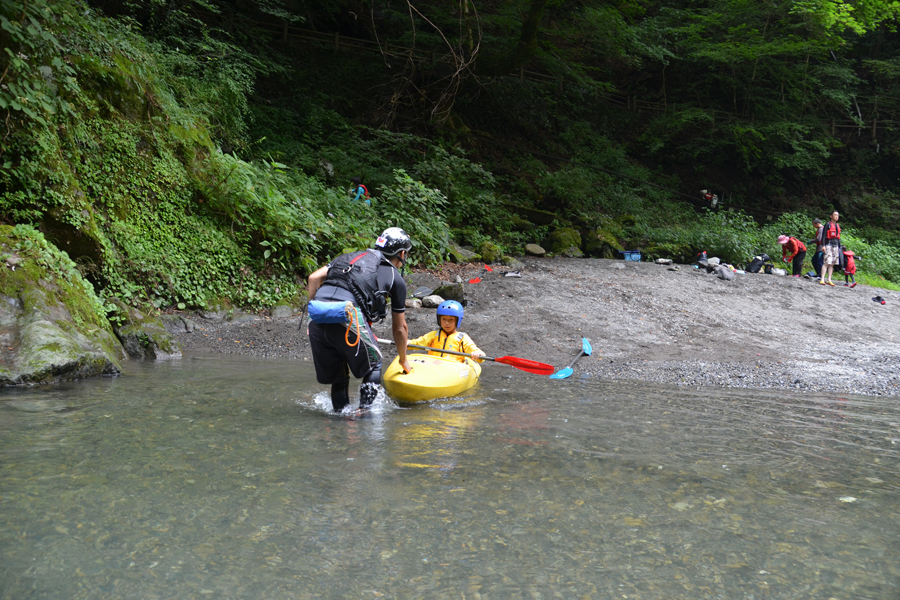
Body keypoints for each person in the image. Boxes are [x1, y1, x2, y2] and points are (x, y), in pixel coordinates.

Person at [306, 227, 412, 412]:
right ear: (402, 253)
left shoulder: (347, 257)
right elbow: (400, 328)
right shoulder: (395, 276)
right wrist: (403, 359)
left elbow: (314, 277)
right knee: (375, 362)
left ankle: (340, 415)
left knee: (340, 370)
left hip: (316, 317)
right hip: (347, 315)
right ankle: (365, 415)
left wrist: (313, 314)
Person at [408, 300, 485, 363]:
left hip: (453, 369)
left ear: (457, 321)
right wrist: (407, 343)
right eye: (443, 319)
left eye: (451, 320)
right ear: (439, 320)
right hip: (434, 366)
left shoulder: (462, 338)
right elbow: (418, 343)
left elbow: (474, 349)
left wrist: (478, 354)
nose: (446, 323)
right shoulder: (434, 335)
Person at [820, 211, 842, 286]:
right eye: (835, 215)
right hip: (828, 244)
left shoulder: (837, 225)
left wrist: (840, 247)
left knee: (832, 263)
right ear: (831, 216)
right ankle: (822, 279)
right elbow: (823, 236)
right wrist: (823, 245)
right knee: (826, 262)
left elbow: (838, 238)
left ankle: (829, 279)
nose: (837, 216)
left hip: (835, 245)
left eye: (838, 215)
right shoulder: (828, 224)